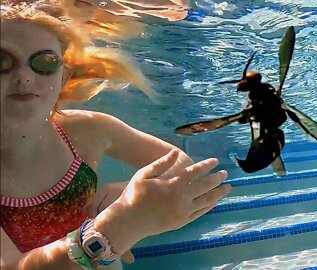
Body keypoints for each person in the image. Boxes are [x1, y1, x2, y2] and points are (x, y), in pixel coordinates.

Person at [0, 1, 231, 269]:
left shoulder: (87, 130)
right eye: (2, 60)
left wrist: (126, 197)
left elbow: (184, 168)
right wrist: (116, 228)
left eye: (45, 62)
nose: (24, 76)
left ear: (63, 76)